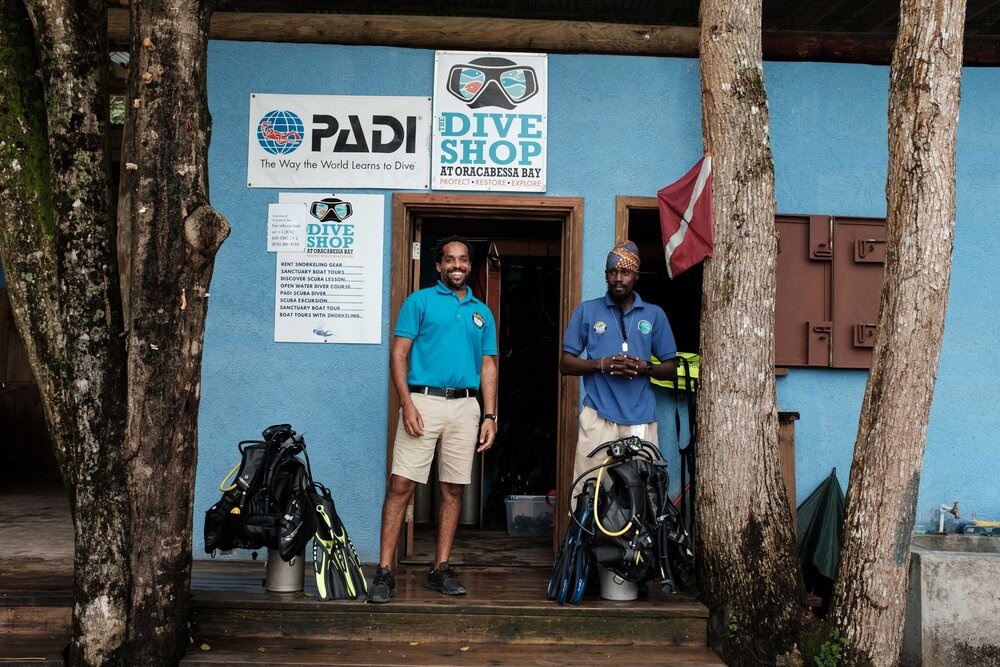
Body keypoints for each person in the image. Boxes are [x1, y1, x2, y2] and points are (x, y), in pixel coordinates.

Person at [367, 235, 498, 604]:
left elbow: (488, 364)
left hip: (465, 407)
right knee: (400, 485)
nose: (457, 265)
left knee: (453, 489)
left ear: (470, 266)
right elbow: (399, 354)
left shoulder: (481, 312)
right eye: (449, 260)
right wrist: (406, 403)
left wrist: (490, 414)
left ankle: (440, 568)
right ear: (438, 266)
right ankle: (385, 571)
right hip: (422, 400)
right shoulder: (419, 301)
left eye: (463, 260)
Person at [560, 240, 677, 498]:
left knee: (642, 496)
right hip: (598, 417)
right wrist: (601, 364)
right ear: (606, 275)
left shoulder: (654, 315)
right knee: (589, 492)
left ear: (636, 275)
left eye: (625, 272)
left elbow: (671, 368)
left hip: (641, 419)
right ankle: (586, 539)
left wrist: (645, 367)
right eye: (613, 272)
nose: (618, 278)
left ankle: (636, 541)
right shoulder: (587, 311)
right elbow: (566, 363)